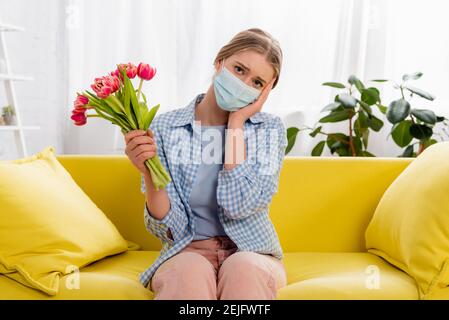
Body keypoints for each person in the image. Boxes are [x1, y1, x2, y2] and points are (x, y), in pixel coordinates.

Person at [124, 28, 288, 300]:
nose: (244, 83)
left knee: (243, 268)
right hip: (187, 251)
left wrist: (236, 124)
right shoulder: (164, 127)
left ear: (265, 92)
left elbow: (240, 206)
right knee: (188, 272)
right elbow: (168, 229)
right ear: (219, 62)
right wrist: (149, 174)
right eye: (239, 69)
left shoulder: (269, 130)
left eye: (257, 82)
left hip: (252, 252)